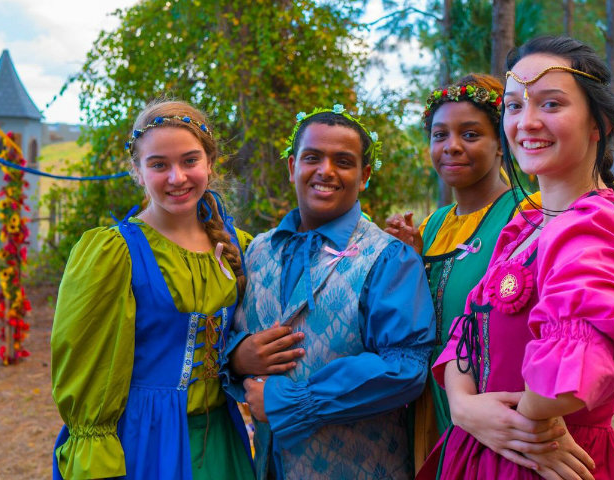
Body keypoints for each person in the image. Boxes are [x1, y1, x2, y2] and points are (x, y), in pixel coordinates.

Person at [423, 36, 614, 479]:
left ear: (597, 123)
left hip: (539, 464)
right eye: (513, 106)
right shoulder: (524, 227)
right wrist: (466, 408)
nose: (526, 122)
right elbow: (464, 337)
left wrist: (524, 424)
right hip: (482, 453)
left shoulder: (594, 224)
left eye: (550, 105)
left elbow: (569, 376)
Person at [226, 105, 436, 480]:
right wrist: (238, 357)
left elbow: (406, 366)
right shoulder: (258, 250)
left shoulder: (390, 258)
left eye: (343, 161)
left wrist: (289, 400)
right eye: (312, 158)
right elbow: (228, 332)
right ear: (292, 167)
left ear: (364, 175)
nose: (326, 170)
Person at [50, 100, 254, 480]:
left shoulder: (239, 246)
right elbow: (87, 368)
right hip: (145, 442)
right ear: (138, 172)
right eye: (159, 164)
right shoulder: (113, 253)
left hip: (222, 441)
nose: (177, 177)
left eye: (189, 161)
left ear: (210, 164)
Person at [386, 74, 559, 469]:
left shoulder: (533, 215)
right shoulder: (433, 226)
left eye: (470, 134)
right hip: (434, 410)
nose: (452, 147)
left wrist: (544, 409)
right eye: (439, 134)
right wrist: (411, 264)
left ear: (502, 142)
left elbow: (591, 318)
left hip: (503, 421)